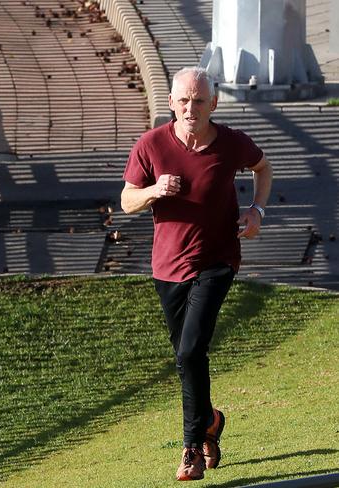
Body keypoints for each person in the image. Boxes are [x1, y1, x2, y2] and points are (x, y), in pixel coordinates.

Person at [120, 66, 273, 481]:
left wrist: (257, 210)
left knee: (190, 352)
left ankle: (190, 450)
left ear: (214, 104)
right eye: (183, 100)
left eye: (199, 101)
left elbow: (263, 168)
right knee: (187, 357)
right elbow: (126, 201)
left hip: (218, 261)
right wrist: (153, 191)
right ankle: (210, 422)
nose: (191, 108)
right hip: (167, 267)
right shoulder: (151, 145)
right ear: (171, 103)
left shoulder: (232, 144)